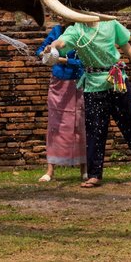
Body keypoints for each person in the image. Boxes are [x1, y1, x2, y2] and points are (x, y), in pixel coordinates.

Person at [46, 19, 131, 188]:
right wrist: (53, 46)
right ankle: (94, 174)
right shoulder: (77, 29)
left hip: (117, 79)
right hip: (93, 84)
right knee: (95, 129)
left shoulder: (111, 23)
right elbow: (62, 41)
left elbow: (125, 44)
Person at [35, 24, 87, 182]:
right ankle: (50, 170)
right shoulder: (57, 31)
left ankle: (84, 168)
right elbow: (41, 50)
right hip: (59, 83)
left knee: (81, 124)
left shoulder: (84, 31)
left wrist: (63, 60)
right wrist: (46, 53)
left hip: (79, 81)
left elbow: (85, 61)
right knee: (55, 125)